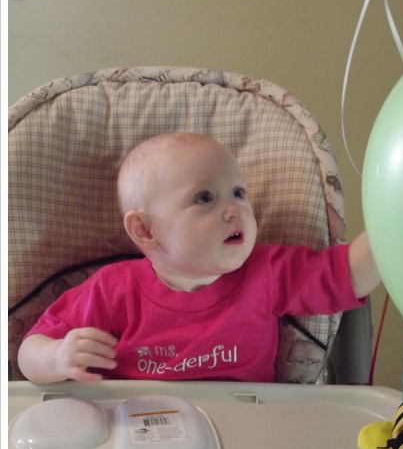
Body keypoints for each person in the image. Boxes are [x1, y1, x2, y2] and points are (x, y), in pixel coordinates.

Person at [18, 133, 380, 384]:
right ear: (145, 230)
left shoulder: (267, 273)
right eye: (205, 198)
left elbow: (346, 275)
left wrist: (394, 228)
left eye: (238, 193)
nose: (234, 210)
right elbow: (28, 352)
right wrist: (57, 357)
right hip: (137, 430)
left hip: (243, 430)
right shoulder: (112, 291)